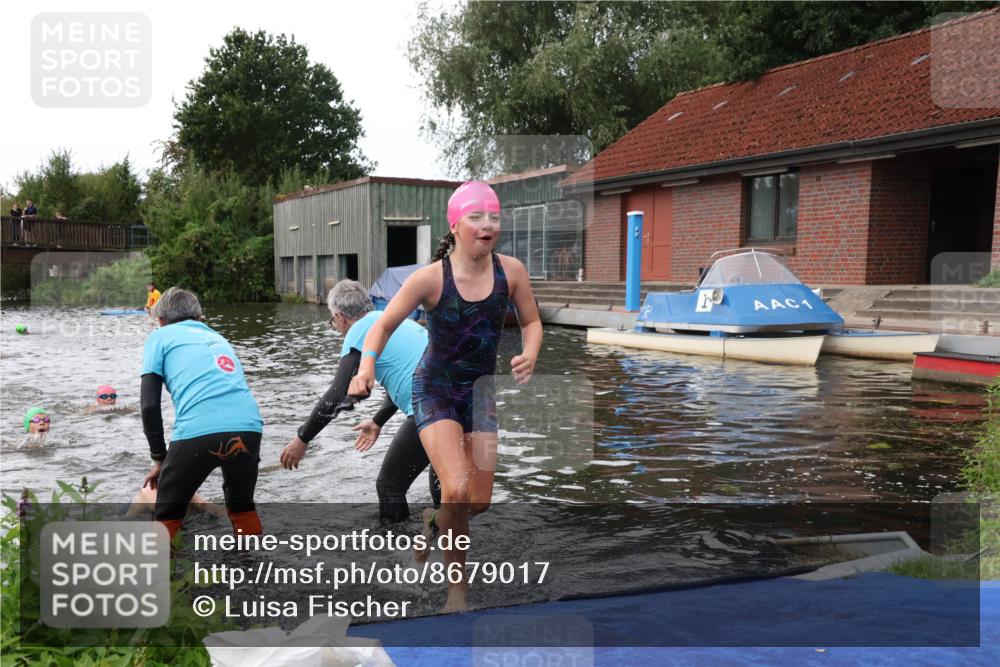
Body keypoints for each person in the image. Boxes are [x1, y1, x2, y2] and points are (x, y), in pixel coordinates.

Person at [349, 181, 543, 612]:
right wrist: (365, 369)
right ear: (455, 225)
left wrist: (530, 353)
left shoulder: (511, 272)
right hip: (435, 389)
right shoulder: (431, 278)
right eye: (477, 217)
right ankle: (457, 593)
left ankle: (433, 522)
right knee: (455, 488)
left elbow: (531, 321)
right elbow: (382, 326)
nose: (488, 225)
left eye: (494, 217)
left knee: (478, 502)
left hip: (480, 395)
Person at [280, 279, 440, 520]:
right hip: (461, 401)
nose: (336, 327)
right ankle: (450, 539)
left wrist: (302, 439)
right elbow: (407, 379)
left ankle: (395, 543)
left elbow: (336, 394)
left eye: (333, 321)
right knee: (446, 491)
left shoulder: (359, 331)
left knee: (389, 486)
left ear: (339, 317)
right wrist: (377, 421)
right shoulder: (396, 321)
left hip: (431, 408)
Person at [140, 287, 264, 540]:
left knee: (167, 513)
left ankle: (164, 562)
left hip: (198, 431)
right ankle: (251, 561)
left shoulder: (159, 337)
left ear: (160, 321)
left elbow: (149, 405)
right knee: (241, 507)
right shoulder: (217, 338)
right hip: (249, 427)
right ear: (200, 318)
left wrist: (159, 458)